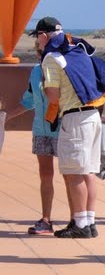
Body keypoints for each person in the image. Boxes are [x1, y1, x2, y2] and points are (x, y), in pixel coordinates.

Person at [38, 16, 105, 239]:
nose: (38, 42)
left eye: (38, 37)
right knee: (88, 173)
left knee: (74, 173)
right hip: (93, 116)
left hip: (74, 119)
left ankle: (81, 224)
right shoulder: (78, 51)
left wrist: (44, 87)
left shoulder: (50, 59)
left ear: (44, 36)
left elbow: (53, 94)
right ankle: (89, 221)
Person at [3, 43, 63, 235]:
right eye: (38, 53)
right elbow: (28, 101)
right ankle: (46, 219)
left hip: (63, 128)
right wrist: (4, 116)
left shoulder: (64, 69)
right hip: (41, 130)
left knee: (73, 176)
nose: (40, 57)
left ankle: (80, 220)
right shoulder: (36, 71)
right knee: (46, 175)